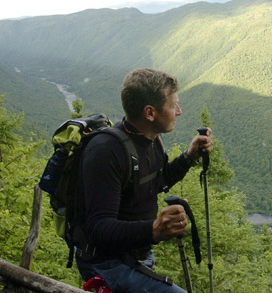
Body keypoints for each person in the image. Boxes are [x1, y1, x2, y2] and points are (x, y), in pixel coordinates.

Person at [75, 68, 213, 293]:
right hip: (105, 264)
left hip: (137, 255)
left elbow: (155, 182)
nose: (179, 111)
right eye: (173, 105)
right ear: (150, 113)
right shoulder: (106, 151)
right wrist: (155, 230)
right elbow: (99, 227)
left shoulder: (151, 140)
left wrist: (190, 157)